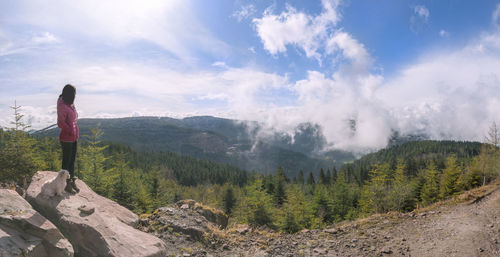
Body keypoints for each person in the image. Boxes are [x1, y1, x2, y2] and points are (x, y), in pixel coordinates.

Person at [57, 84, 80, 193]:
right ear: (70, 94)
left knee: (72, 161)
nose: (75, 95)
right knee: (66, 162)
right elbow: (60, 123)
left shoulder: (70, 104)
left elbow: (73, 121)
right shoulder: (62, 105)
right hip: (66, 138)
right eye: (74, 93)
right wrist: (71, 131)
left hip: (73, 137)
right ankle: (65, 184)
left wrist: (75, 132)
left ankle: (70, 181)